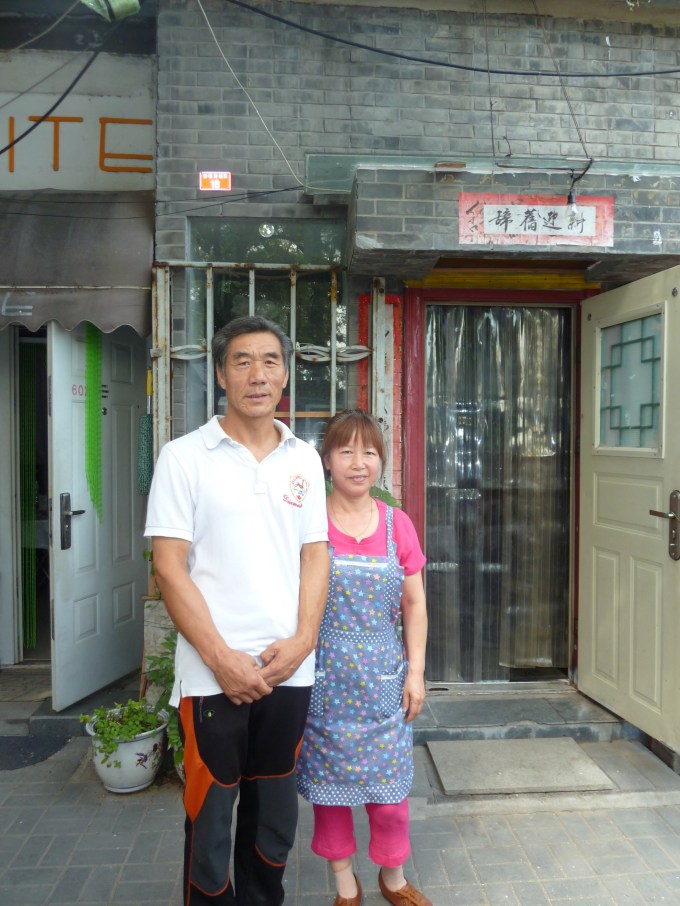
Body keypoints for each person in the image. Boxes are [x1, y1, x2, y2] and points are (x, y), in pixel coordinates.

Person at [145, 315, 330, 906]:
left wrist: (303, 640)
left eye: (270, 361)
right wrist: (221, 658)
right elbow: (169, 566)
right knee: (210, 820)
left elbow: (315, 553)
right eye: (242, 361)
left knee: (273, 821)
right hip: (210, 675)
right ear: (221, 375)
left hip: (287, 670)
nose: (258, 374)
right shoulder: (184, 457)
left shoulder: (305, 459)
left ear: (286, 375)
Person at [296, 410, 431, 906]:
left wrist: (415, 673)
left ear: (380, 461)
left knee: (390, 796)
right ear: (327, 460)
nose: (358, 463)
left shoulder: (398, 525)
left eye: (369, 452)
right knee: (329, 795)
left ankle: (393, 878)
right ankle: (345, 885)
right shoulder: (309, 522)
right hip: (325, 680)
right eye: (346, 451)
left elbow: (414, 604)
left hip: (383, 683)